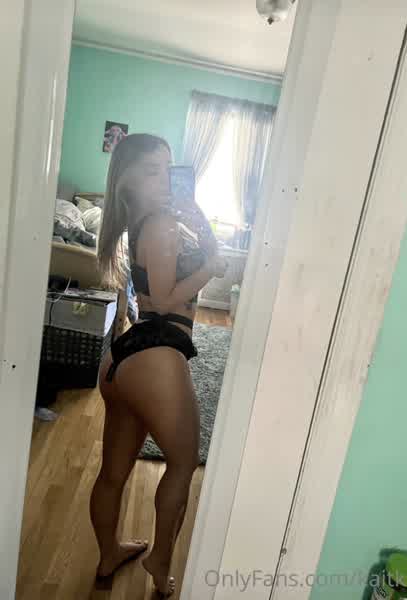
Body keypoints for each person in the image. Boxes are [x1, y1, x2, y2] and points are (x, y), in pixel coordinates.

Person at [90, 133, 227, 597]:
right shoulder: (162, 224)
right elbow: (168, 300)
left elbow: (175, 278)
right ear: (126, 182)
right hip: (158, 354)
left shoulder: (144, 221)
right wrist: (209, 268)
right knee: (183, 464)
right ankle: (160, 564)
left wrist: (199, 218)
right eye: (152, 170)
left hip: (124, 356)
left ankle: (108, 554)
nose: (165, 178)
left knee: (113, 473)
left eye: (168, 169)